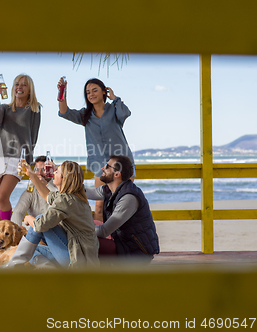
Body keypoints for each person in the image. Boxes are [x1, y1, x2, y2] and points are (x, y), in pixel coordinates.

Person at [58, 78, 134, 222]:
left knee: (122, 206)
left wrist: (115, 98)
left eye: (94, 90)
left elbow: (125, 113)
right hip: (101, 166)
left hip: (122, 163)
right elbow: (64, 112)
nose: (91, 94)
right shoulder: (85, 114)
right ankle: (103, 241)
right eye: (87, 92)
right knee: (99, 207)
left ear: (103, 91)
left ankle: (123, 241)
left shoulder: (114, 109)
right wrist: (62, 92)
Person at [6, 161, 99, 269]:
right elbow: (47, 196)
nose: (54, 172)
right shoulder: (74, 196)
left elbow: (39, 225)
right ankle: (48, 268)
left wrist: (28, 218)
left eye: (57, 171)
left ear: (65, 178)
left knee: (39, 219)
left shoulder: (65, 200)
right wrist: (31, 174)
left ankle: (11, 267)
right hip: (82, 257)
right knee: (31, 250)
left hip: (76, 259)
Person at [0, 74, 41, 232]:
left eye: (24, 85)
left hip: (17, 159)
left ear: (30, 90)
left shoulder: (34, 109)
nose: (19, 87)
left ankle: (6, 238)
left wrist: (28, 160)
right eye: (16, 84)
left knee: (3, 196)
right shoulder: (5, 108)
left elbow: (33, 136)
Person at [86, 155, 159, 262]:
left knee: (84, 239)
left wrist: (78, 227)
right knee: (95, 223)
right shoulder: (110, 189)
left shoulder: (128, 198)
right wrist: (54, 181)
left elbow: (104, 231)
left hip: (135, 253)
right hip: (122, 241)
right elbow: (83, 192)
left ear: (117, 174)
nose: (102, 168)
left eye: (107, 166)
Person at [11, 155, 57, 227]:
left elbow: (61, 197)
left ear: (51, 171)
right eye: (36, 169)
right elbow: (18, 212)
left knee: (40, 219)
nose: (39, 173)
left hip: (54, 232)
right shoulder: (30, 191)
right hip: (37, 231)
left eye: (43, 170)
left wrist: (46, 184)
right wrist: (17, 231)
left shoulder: (58, 189)